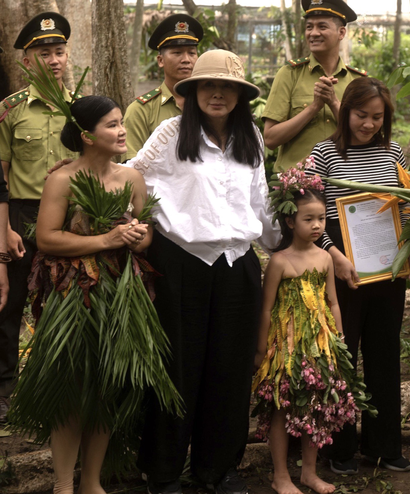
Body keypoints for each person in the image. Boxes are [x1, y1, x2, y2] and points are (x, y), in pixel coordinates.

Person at [8, 95, 180, 494]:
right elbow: (48, 238)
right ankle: (63, 485)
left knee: (108, 382)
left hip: (122, 294)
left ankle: (91, 482)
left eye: (121, 122)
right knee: (70, 385)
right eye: (111, 125)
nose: (122, 131)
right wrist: (107, 238)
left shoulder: (132, 178)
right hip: (74, 294)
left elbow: (147, 233)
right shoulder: (62, 179)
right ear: (86, 135)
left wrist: (137, 238)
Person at [129, 49, 280, 494]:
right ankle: (164, 470)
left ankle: (218, 467)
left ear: (240, 94)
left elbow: (261, 200)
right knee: (178, 366)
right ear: (192, 92)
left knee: (231, 369)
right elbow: (131, 178)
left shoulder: (250, 134)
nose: (218, 93)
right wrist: (130, 228)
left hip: (238, 266)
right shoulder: (170, 133)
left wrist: (286, 246)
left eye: (228, 86)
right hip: (180, 264)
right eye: (208, 86)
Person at [308, 76, 410, 475]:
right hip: (342, 264)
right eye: (361, 115)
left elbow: (408, 207)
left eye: (377, 117)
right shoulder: (325, 153)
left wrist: (407, 252)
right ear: (345, 110)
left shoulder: (393, 152)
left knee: (384, 354)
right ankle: (340, 448)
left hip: (387, 265)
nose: (368, 124)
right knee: (343, 355)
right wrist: (332, 254)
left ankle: (384, 446)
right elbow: (308, 210)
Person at [252, 175, 372, 494]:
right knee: (281, 407)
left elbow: (332, 301)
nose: (317, 225)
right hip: (285, 347)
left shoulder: (324, 258)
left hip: (319, 346)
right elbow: (265, 308)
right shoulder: (279, 261)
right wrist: (261, 347)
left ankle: (309, 472)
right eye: (309, 219)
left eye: (321, 219)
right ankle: (280, 475)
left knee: (314, 407)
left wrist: (340, 341)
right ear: (290, 221)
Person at [0, 11, 77, 424]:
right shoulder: (10, 109)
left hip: (68, 216)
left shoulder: (80, 107)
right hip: (20, 212)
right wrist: (5, 228)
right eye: (43, 52)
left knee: (60, 302)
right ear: (26, 61)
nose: (53, 59)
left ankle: (50, 388)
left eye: (59, 51)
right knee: (10, 302)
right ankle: (5, 389)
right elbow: (2, 173)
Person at [263, 0, 366, 173]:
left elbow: (365, 137)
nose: (313, 33)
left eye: (322, 27)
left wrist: (333, 102)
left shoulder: (356, 81)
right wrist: (314, 107)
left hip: (345, 182)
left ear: (341, 33)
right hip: (296, 186)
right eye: (309, 27)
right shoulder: (289, 74)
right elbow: (270, 139)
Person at [121, 13, 203, 162]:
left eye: (192, 53)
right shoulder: (141, 110)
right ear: (160, 60)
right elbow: (132, 167)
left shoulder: (210, 104)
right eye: (177, 53)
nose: (186, 60)